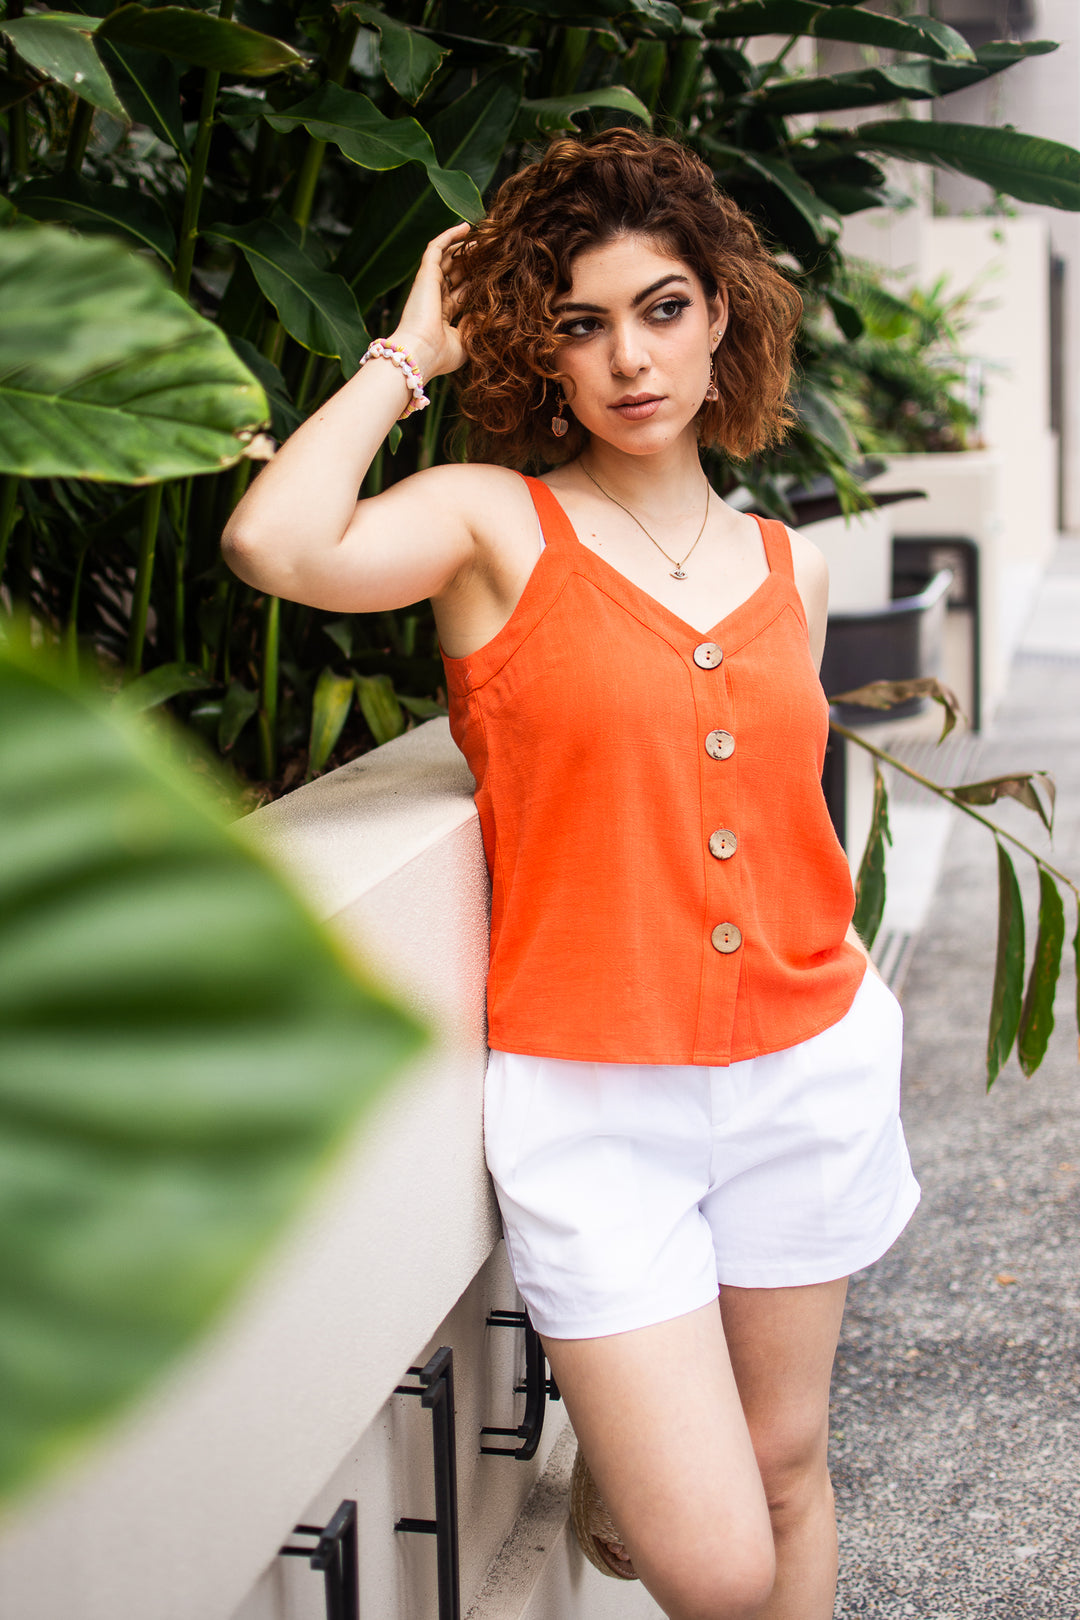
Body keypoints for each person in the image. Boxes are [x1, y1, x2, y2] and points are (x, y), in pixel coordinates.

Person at [222, 128, 920, 1620]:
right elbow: (276, 539)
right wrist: (407, 352)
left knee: (789, 1470)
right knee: (718, 1566)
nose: (629, 360)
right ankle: (644, 1455)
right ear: (540, 346)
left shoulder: (784, 560)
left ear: (721, 312)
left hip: (807, 1063)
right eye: (584, 323)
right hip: (599, 1104)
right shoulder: (492, 524)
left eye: (662, 308)